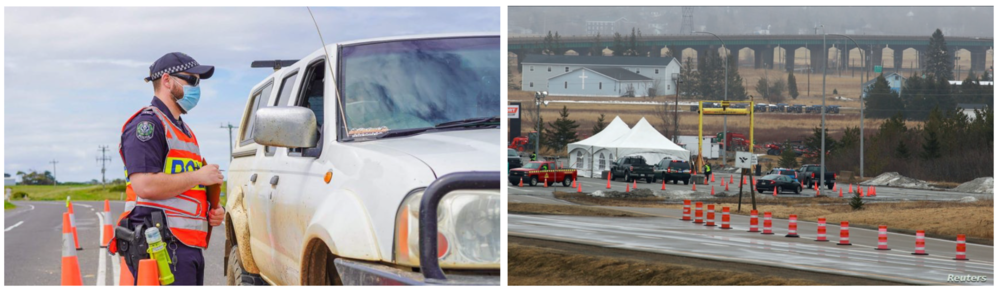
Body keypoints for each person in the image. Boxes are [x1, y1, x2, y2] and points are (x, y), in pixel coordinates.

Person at [108, 52, 224, 285]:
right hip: (159, 247)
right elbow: (145, 185)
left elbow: (186, 187)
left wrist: (212, 211)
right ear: (168, 81)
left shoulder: (184, 130)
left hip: (186, 247)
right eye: (192, 80)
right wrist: (199, 175)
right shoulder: (148, 125)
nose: (197, 87)